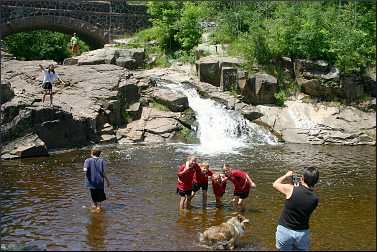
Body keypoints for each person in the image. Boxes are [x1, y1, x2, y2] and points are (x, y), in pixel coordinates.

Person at [273, 167, 319, 251]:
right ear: (316, 181)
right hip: (302, 234)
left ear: (302, 178)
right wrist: (295, 180)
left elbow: (275, 184)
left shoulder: (290, 189)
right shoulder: (315, 199)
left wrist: (286, 175)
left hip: (285, 231)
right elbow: (302, 192)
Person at [83, 147, 110, 212]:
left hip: (91, 181)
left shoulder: (87, 160)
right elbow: (103, 173)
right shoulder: (102, 161)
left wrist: (86, 171)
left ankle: (94, 206)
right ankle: (98, 207)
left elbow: (85, 170)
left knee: (93, 194)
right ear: (99, 154)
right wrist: (107, 181)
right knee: (100, 195)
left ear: (92, 153)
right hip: (100, 182)